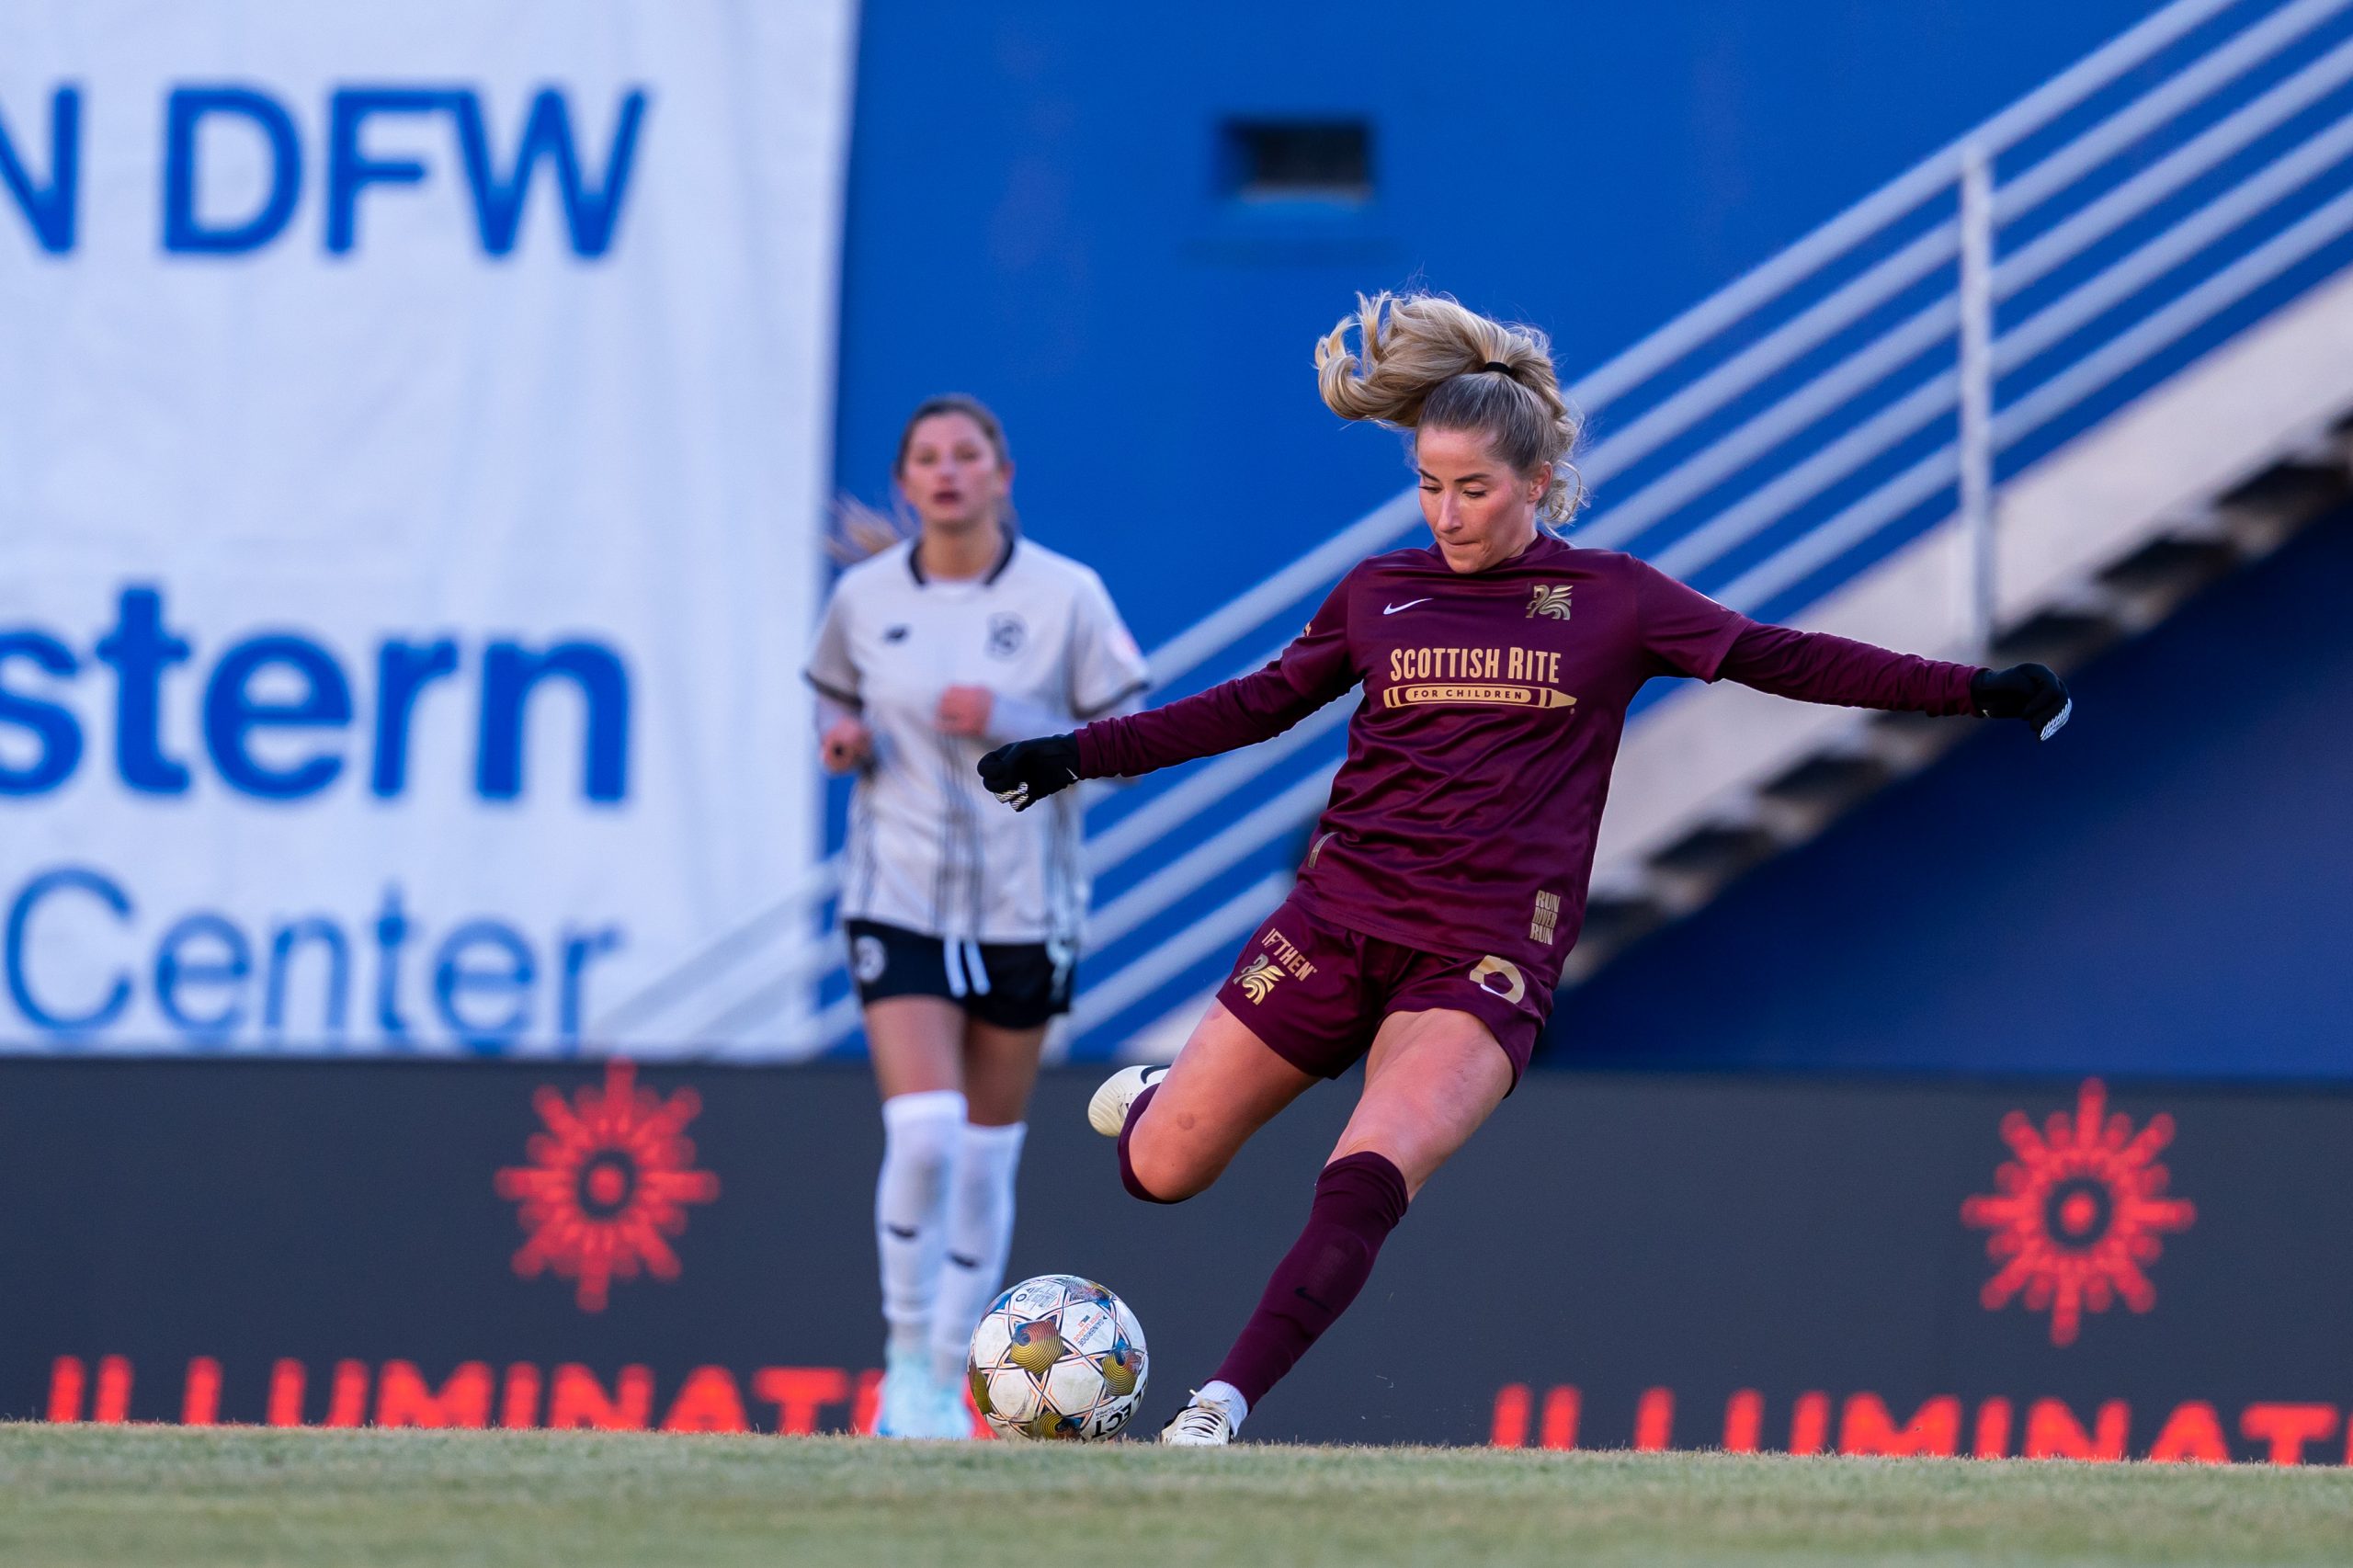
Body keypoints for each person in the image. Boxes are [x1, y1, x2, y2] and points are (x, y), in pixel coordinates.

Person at [977, 293, 2070, 1445]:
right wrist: (1072, 755)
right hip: (1335, 919)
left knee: (1366, 1173)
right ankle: (1155, 1102)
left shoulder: (1616, 600)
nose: (1447, 512)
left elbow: (1782, 657)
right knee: (1160, 1171)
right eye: (1429, 486)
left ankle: (1219, 1404)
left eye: (1475, 488)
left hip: (1483, 957)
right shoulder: (1376, 593)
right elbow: (1248, 708)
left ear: (1537, 480)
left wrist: (1972, 687)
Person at [806, 393, 1150, 1438]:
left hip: (1023, 906)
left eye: (968, 455)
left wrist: (1011, 720)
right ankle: (904, 1359)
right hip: (896, 896)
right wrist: (844, 736)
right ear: (906, 483)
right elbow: (832, 695)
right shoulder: (864, 598)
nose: (947, 472)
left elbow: (1127, 732)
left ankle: (960, 1376)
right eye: (927, 458)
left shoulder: (1065, 595)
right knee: (923, 1128)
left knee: (987, 1152)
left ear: (1002, 474)